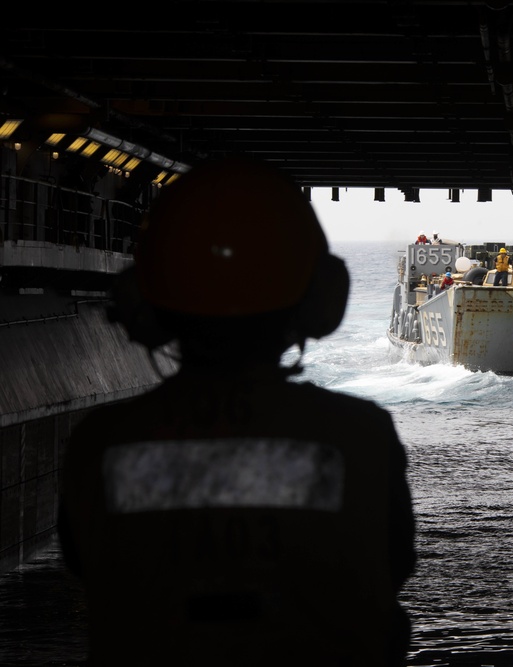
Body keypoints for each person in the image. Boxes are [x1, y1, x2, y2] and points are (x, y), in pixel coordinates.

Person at [58, 156, 417, 667]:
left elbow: (84, 563)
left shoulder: (101, 442)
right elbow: (394, 565)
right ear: (319, 299)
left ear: (145, 300)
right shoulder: (359, 436)